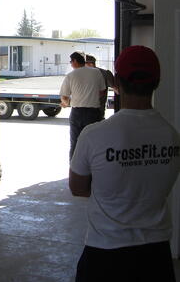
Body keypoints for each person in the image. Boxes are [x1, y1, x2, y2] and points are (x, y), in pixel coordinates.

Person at [69, 46, 180, 282]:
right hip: (156, 257)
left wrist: (111, 188)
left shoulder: (94, 135)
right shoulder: (171, 136)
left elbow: (77, 188)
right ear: (157, 82)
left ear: (117, 82)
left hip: (104, 254)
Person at [60, 51, 107, 160]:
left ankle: (74, 170)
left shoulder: (71, 75)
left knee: (75, 143)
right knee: (93, 143)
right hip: (94, 113)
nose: (71, 64)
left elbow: (65, 97)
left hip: (77, 113)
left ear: (75, 61)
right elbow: (102, 92)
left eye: (71, 61)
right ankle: (93, 169)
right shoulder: (96, 73)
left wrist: (66, 103)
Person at [85, 54, 116, 119]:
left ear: (90, 64)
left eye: (84, 64)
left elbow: (116, 89)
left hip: (96, 110)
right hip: (94, 110)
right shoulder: (105, 73)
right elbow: (116, 89)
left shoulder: (104, 73)